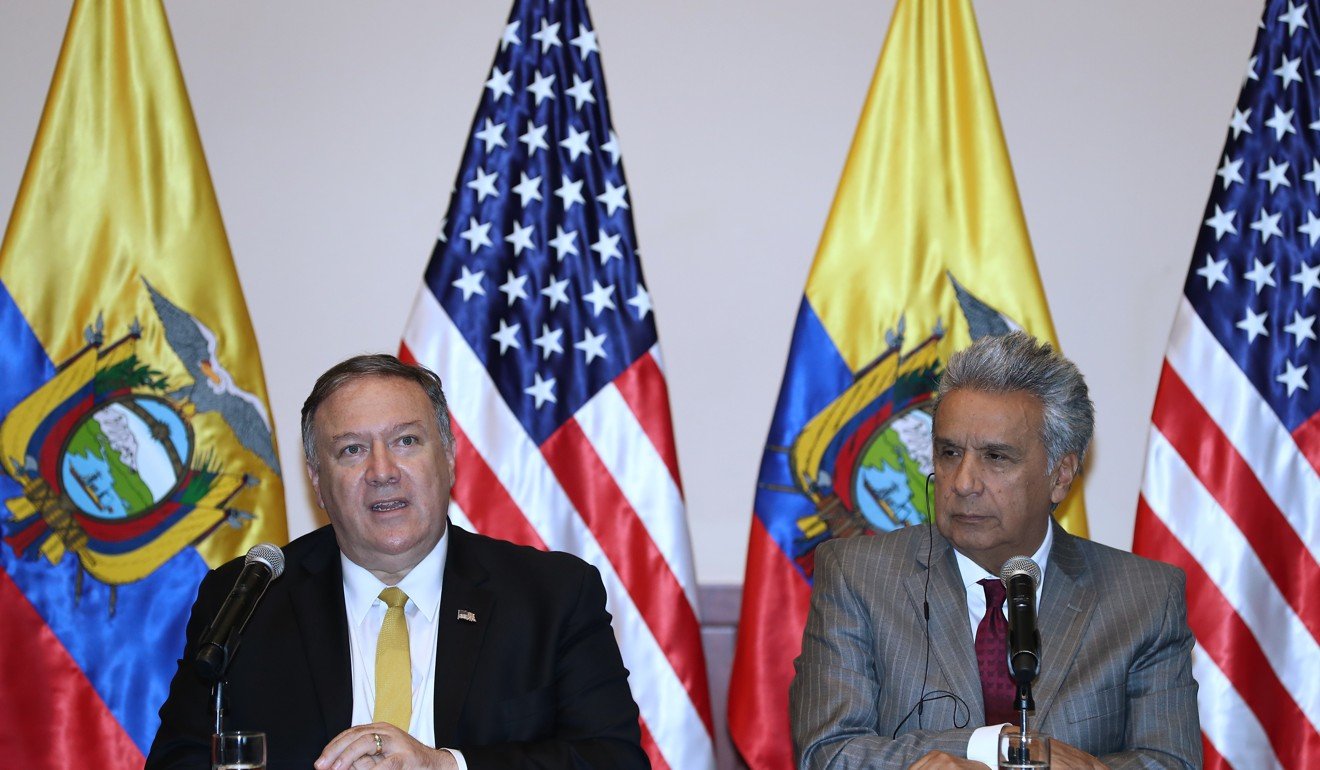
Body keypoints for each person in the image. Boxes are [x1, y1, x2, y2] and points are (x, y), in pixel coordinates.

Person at [146, 354, 648, 769]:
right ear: (317, 480)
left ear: (448, 457)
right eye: (351, 450)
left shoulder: (551, 596)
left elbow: (613, 759)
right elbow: (178, 761)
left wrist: (447, 766)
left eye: (406, 441)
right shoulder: (248, 599)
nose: (381, 471)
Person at [789, 332, 1200, 769]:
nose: (963, 482)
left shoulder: (1146, 599)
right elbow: (827, 752)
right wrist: (994, 747)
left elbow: (1171, 761)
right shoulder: (857, 577)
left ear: (1060, 476)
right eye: (949, 453)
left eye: (996, 458)